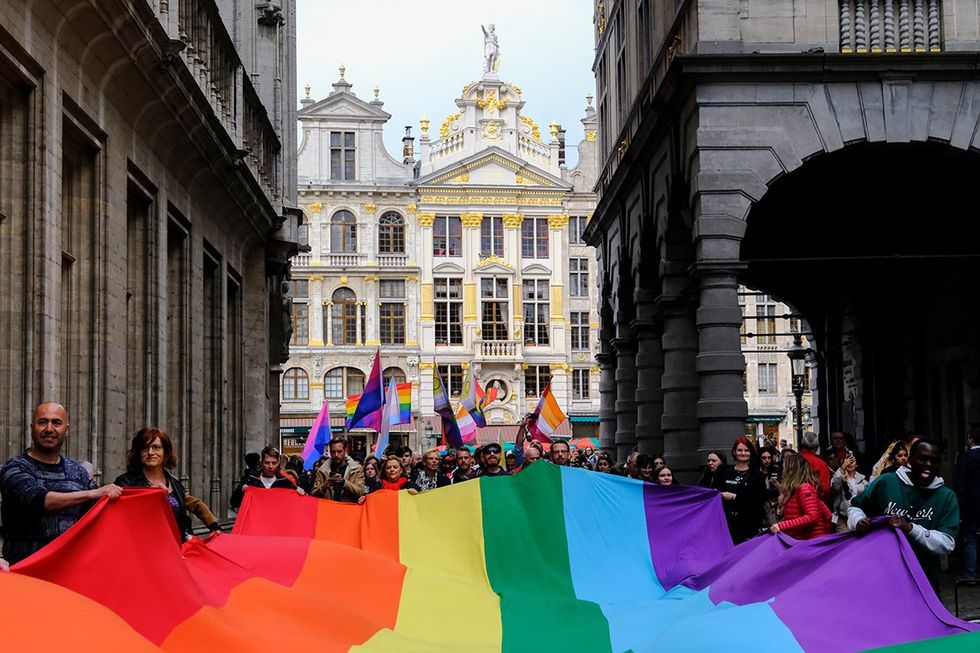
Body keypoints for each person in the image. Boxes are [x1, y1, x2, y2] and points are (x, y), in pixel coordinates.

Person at [0, 403, 122, 564]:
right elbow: (38, 500)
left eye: (56, 423)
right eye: (42, 422)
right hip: (25, 573)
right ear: (32, 427)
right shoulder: (15, 468)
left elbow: (105, 508)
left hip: (69, 572)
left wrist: (152, 496)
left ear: (67, 429)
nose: (49, 428)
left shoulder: (77, 472)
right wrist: (92, 493)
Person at [849, 440, 959, 593]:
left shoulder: (946, 496)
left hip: (924, 580)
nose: (928, 464)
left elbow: (947, 543)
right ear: (911, 459)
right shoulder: (887, 482)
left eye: (934, 461)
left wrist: (911, 528)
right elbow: (856, 507)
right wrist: (858, 521)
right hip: (883, 576)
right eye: (923, 458)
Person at [113, 427, 193, 541]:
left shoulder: (175, 484)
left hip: (173, 550)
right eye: (145, 448)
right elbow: (120, 520)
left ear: (165, 452)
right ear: (138, 453)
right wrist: (149, 495)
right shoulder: (125, 482)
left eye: (156, 447)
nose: (150, 452)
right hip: (141, 548)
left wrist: (188, 537)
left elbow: (182, 520)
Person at [769, 454, 831, 540]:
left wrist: (782, 525)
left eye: (784, 468)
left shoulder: (804, 489)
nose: (782, 472)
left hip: (808, 543)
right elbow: (827, 514)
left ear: (791, 470)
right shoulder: (800, 489)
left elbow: (812, 517)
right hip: (807, 542)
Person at [718, 437, 767, 544]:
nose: (743, 453)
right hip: (726, 524)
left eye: (746, 450)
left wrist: (734, 497)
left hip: (748, 526)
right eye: (740, 450)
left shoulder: (758, 476)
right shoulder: (723, 472)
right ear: (734, 452)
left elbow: (758, 502)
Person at [231, 446, 305, 509]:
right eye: (267, 463)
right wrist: (241, 491)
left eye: (274, 463)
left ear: (278, 463)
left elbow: (297, 505)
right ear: (261, 462)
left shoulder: (284, 482)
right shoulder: (251, 480)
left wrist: (299, 492)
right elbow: (234, 502)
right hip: (256, 522)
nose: (270, 466)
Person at [956, 429, 980, 582]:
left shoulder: (966, 457)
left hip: (972, 503)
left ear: (971, 439)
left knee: (970, 537)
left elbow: (961, 483)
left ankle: (970, 574)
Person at [312, 438, 365, 502]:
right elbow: (313, 494)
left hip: (349, 510)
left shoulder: (356, 469)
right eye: (333, 452)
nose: (336, 455)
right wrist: (325, 485)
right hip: (328, 509)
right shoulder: (322, 470)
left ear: (345, 451)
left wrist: (344, 483)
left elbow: (361, 492)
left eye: (339, 451)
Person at [831, 451, 868, 533]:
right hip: (843, 519)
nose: (850, 464)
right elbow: (835, 487)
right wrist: (842, 467)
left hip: (859, 519)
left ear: (857, 464)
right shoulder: (839, 476)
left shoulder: (863, 481)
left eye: (852, 461)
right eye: (847, 461)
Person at [799, 431, 831, 502]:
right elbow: (825, 489)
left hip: (793, 503)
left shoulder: (793, 461)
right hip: (814, 502)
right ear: (817, 447)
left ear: (802, 444)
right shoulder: (820, 464)